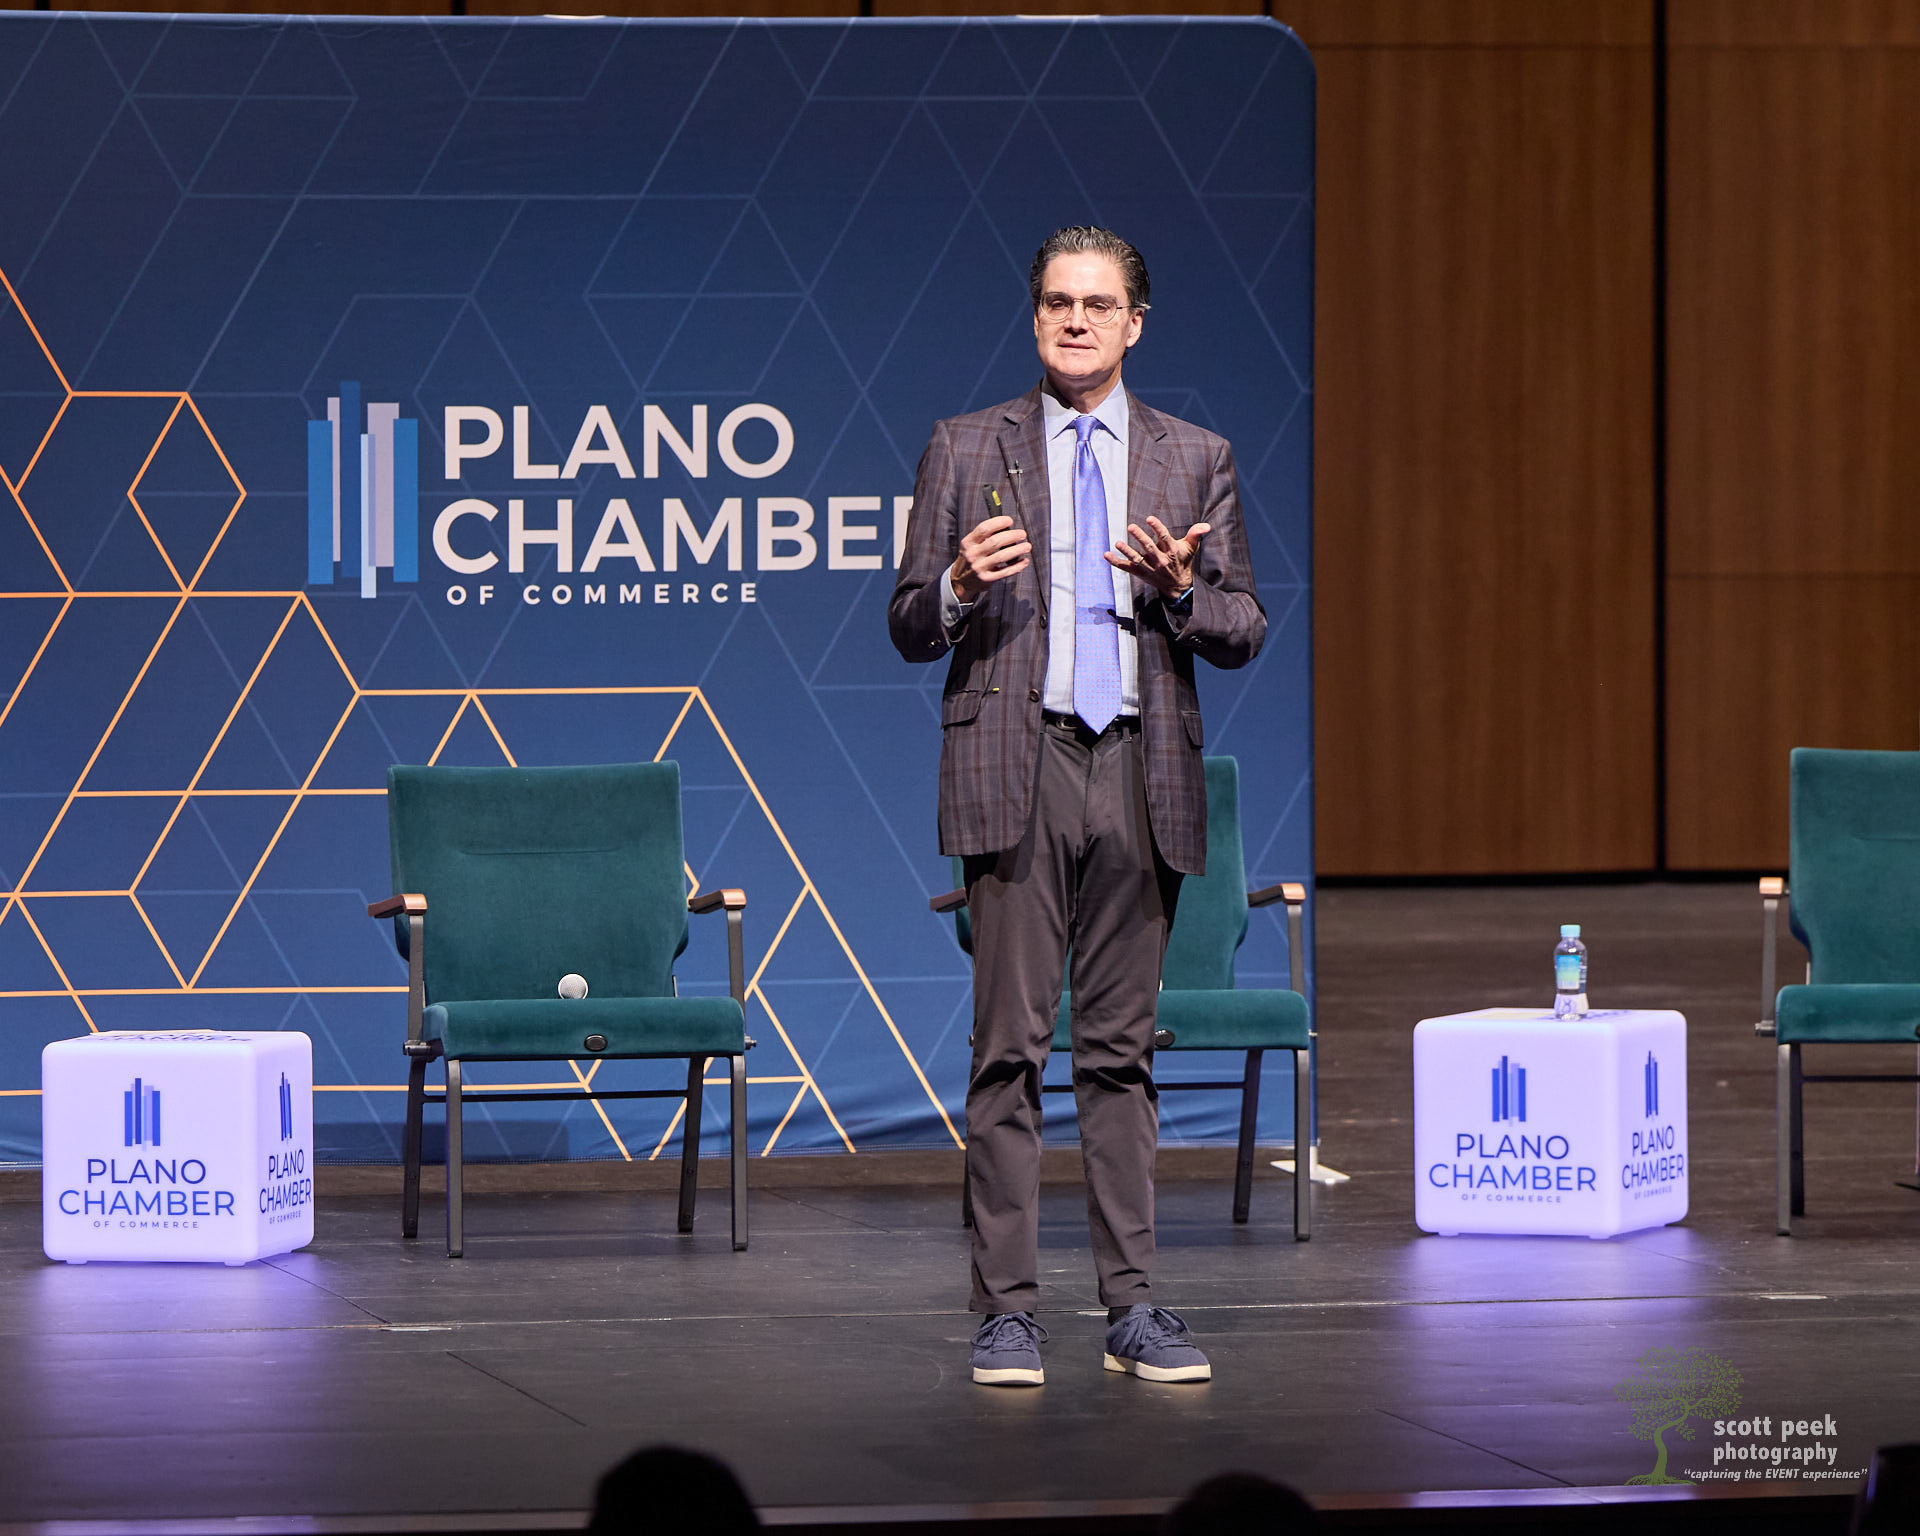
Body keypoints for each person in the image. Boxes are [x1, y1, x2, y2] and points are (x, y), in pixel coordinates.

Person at [888, 225, 1266, 1387]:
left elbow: (1244, 628)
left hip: (1141, 766)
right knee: (1007, 1050)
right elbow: (908, 623)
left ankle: (1133, 1307)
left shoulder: (1195, 457)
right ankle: (1006, 1312)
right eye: (1058, 301)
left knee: (1119, 1055)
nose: (1076, 321)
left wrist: (1182, 592)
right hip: (1022, 760)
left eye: (1100, 305)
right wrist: (958, 583)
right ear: (1035, 315)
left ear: (1135, 324)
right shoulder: (967, 446)